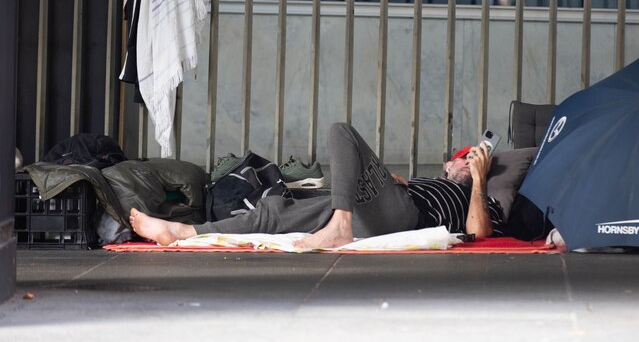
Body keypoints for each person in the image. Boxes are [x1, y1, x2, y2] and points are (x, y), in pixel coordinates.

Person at [130, 122, 504, 249]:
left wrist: (479, 181)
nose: (469, 162)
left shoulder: (482, 197)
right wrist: (386, 181)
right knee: (276, 209)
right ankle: (184, 231)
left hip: (411, 216)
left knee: (341, 130)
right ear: (448, 163)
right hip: (382, 207)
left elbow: (480, 234)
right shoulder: (432, 180)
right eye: (465, 158)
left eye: (477, 159)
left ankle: (338, 226)